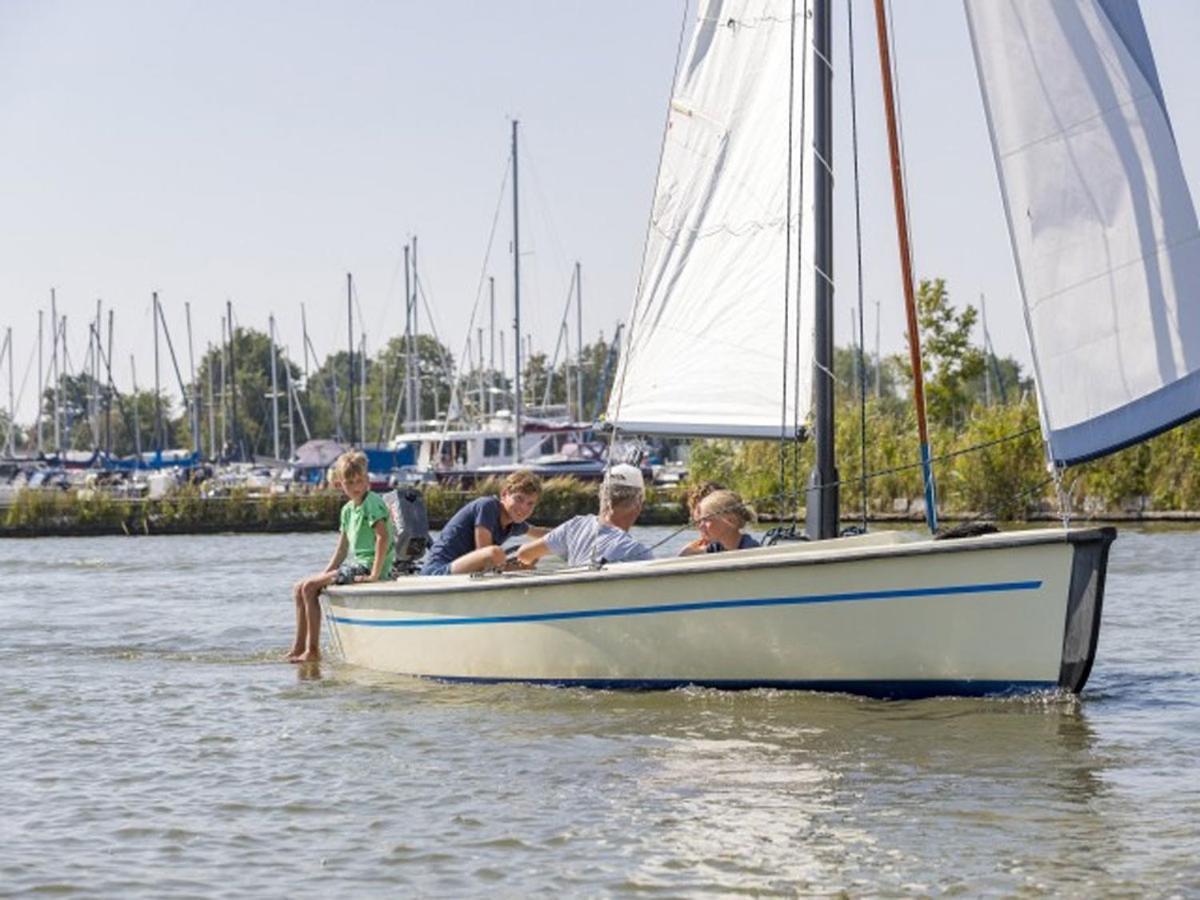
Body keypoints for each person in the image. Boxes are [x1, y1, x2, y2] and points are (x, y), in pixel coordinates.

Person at [288, 450, 394, 663]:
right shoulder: (347, 510)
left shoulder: (371, 502)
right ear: (340, 484)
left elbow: (382, 538)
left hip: (368, 566)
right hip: (356, 563)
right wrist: (324, 573)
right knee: (300, 587)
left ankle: (313, 650)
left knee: (309, 588)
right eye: (350, 482)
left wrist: (374, 574)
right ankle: (298, 647)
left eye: (360, 480)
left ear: (366, 480)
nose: (356, 486)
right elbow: (342, 549)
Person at [517, 463, 653, 568]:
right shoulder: (636, 552)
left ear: (602, 496)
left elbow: (524, 554)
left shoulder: (575, 526)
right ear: (638, 504)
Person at [421, 470, 547, 575]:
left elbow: (544, 534)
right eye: (519, 499)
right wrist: (517, 568)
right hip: (437, 572)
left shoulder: (514, 522)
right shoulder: (488, 506)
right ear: (504, 494)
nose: (523, 508)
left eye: (530, 504)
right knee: (494, 553)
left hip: (465, 572)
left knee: (534, 551)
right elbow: (485, 554)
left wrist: (565, 532)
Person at [679, 489, 760, 555]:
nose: (701, 526)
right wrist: (690, 549)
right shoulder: (716, 547)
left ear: (730, 521)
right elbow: (683, 556)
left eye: (707, 519)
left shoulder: (750, 548)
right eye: (700, 520)